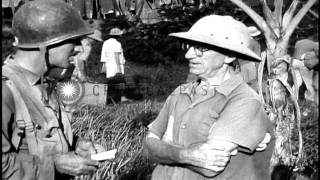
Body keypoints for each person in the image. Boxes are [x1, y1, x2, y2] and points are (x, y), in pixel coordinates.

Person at [144, 15, 274, 180]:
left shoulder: (245, 100)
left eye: (200, 48)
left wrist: (165, 146)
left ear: (229, 56)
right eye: (189, 46)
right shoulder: (180, 92)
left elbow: (210, 167)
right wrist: (187, 155)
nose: (189, 55)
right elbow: (147, 148)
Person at [2, 1, 106, 180]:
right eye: (73, 41)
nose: (79, 48)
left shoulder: (43, 83)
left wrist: (76, 145)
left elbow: (37, 138)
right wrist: (55, 165)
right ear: (46, 44)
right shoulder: (5, 91)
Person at [100, 27, 130, 102]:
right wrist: (119, 68)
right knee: (120, 82)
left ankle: (110, 98)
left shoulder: (105, 43)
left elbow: (103, 55)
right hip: (116, 65)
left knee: (110, 82)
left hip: (108, 65)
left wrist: (104, 65)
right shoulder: (117, 43)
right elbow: (116, 55)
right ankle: (120, 97)